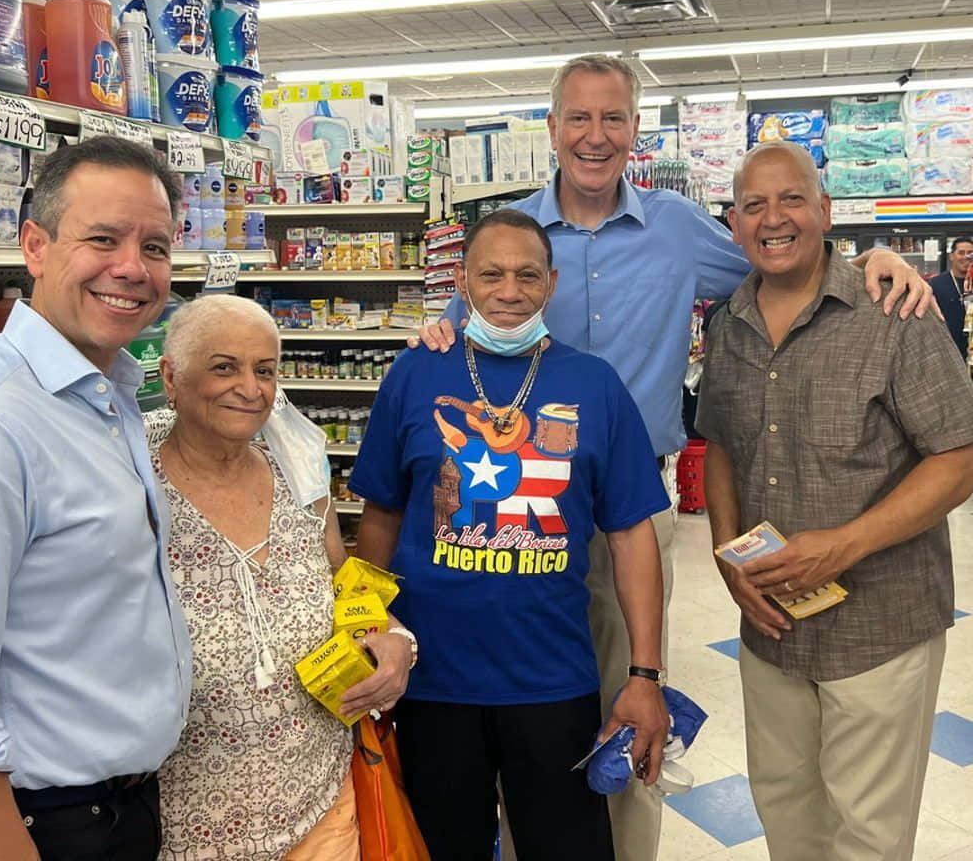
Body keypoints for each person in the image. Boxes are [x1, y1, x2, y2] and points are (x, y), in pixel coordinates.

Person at [415, 54, 934, 860]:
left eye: (614, 118)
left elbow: (787, 259)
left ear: (635, 133)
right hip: (515, 509)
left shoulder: (679, 228)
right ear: (552, 129)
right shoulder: (510, 234)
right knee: (526, 710)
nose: (595, 136)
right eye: (579, 119)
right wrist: (434, 335)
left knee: (629, 698)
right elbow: (466, 331)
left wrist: (871, 262)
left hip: (629, 516)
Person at [0, 136, 193, 860]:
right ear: (34, 245)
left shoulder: (104, 395)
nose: (132, 268)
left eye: (154, 246)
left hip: (114, 811)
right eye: (102, 239)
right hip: (33, 828)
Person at [352, 208, 670, 861]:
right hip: (430, 678)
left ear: (550, 283)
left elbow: (632, 536)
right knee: (442, 848)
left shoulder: (594, 385)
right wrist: (360, 623)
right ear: (462, 282)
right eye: (491, 273)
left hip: (552, 680)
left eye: (527, 274)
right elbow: (381, 512)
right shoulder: (415, 374)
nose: (509, 290)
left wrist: (645, 672)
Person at [695, 140, 973, 861]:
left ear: (825, 211)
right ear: (733, 225)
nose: (773, 218)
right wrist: (729, 556)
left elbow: (960, 456)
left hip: (879, 623)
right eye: (754, 205)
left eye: (791, 199)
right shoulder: (727, 325)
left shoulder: (893, 311)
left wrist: (844, 545)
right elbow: (720, 444)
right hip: (772, 626)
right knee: (787, 813)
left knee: (869, 837)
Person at [149, 294, 414, 860]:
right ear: (171, 377)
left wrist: (392, 637)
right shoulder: (129, 476)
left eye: (265, 370)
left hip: (320, 807)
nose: (251, 388)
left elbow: (340, 574)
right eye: (225, 367)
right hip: (179, 824)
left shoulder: (296, 468)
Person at [928, 236, 972, 358]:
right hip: (947, 351)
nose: (966, 257)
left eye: (970, 253)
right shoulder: (935, 284)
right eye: (961, 253)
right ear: (951, 256)